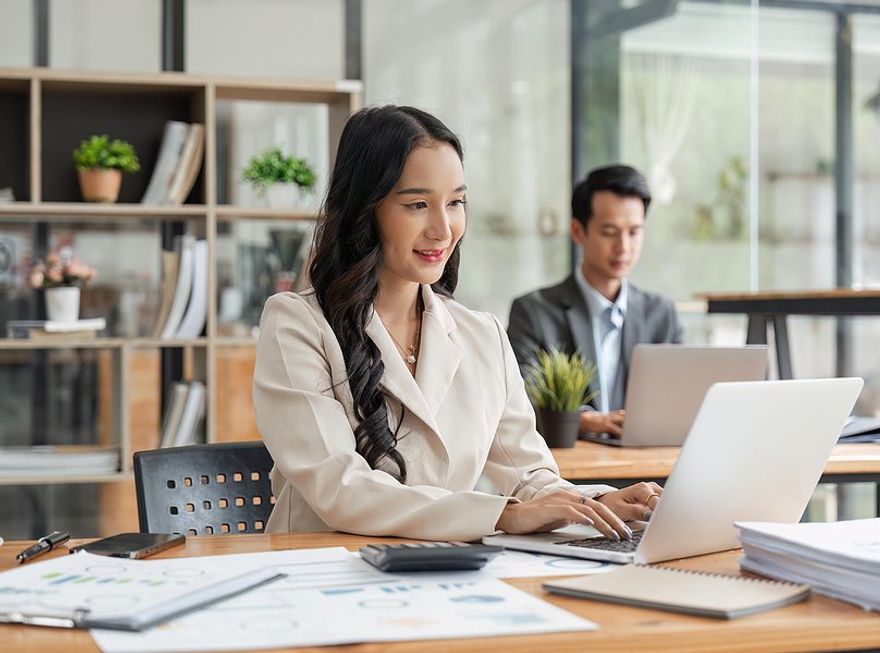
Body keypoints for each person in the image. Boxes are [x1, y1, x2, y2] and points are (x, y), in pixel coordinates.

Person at [253, 106, 661, 542]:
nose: (443, 229)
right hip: (321, 577)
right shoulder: (296, 324)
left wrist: (597, 505)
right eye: (417, 205)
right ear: (364, 209)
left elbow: (531, 478)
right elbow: (341, 489)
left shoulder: (481, 334)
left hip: (445, 575)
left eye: (455, 202)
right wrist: (503, 515)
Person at [507, 165, 683, 438]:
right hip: (572, 472)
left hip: (646, 466)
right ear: (578, 232)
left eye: (634, 232)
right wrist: (585, 421)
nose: (623, 246)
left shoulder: (661, 314)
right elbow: (520, 403)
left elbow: (679, 401)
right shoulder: (534, 312)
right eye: (609, 232)